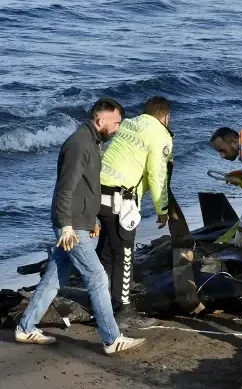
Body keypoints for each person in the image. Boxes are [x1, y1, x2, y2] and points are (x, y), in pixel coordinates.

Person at [15, 98, 146, 355]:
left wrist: (92, 219)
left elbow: (86, 189)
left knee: (55, 277)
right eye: (116, 122)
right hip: (70, 226)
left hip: (79, 222)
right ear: (101, 120)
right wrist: (66, 226)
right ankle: (112, 338)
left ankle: (25, 327)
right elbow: (65, 188)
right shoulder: (79, 144)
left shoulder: (92, 143)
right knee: (97, 276)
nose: (118, 128)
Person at [96, 96, 173, 329]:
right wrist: (163, 208)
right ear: (166, 117)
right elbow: (156, 174)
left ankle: (102, 303)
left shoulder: (128, 124)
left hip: (97, 191)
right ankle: (124, 310)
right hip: (121, 199)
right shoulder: (161, 135)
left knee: (107, 251)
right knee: (124, 253)